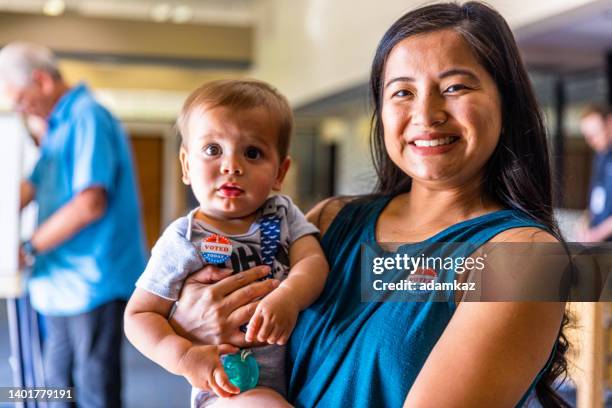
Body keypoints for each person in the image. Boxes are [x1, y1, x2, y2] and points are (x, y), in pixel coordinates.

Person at [167, 3, 570, 407]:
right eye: (403, 92)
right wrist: (187, 319)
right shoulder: (329, 221)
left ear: (506, 101)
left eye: (455, 87)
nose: (426, 114)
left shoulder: (525, 259)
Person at [123, 79, 328, 407]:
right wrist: (184, 356)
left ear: (280, 172)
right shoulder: (184, 239)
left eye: (252, 152)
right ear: (187, 165)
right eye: (212, 150)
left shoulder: (282, 214)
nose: (232, 166)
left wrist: (290, 297)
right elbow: (139, 315)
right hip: (228, 385)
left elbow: (312, 263)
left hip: (295, 377)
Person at [0, 42, 147, 408]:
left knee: (94, 390)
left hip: (91, 283)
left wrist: (27, 247)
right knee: (56, 387)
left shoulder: (87, 117)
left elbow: (89, 204)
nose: (20, 108)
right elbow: (32, 185)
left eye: (20, 99)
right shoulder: (56, 127)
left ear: (41, 80)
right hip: (58, 283)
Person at [578, 105, 612, 242]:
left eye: (595, 134)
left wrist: (597, 234)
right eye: (587, 136)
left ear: (609, 123)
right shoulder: (600, 156)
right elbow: (596, 199)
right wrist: (584, 222)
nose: (591, 141)